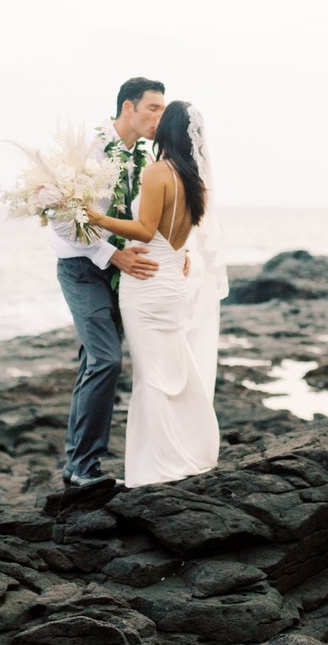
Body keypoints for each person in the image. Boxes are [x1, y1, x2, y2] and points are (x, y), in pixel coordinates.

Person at [87, 100, 228, 488]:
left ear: (166, 131)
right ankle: (192, 447)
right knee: (175, 370)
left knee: (153, 377)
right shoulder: (195, 180)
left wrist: (95, 218)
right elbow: (181, 236)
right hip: (173, 283)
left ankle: (163, 464)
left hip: (146, 286)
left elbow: (146, 229)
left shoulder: (157, 173)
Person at [51, 77, 166, 488]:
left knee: (95, 362)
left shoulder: (146, 158)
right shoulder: (87, 149)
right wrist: (111, 254)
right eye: (153, 108)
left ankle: (79, 465)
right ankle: (83, 467)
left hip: (122, 273)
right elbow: (61, 219)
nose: (159, 116)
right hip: (82, 268)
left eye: (162, 110)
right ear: (127, 108)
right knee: (106, 359)